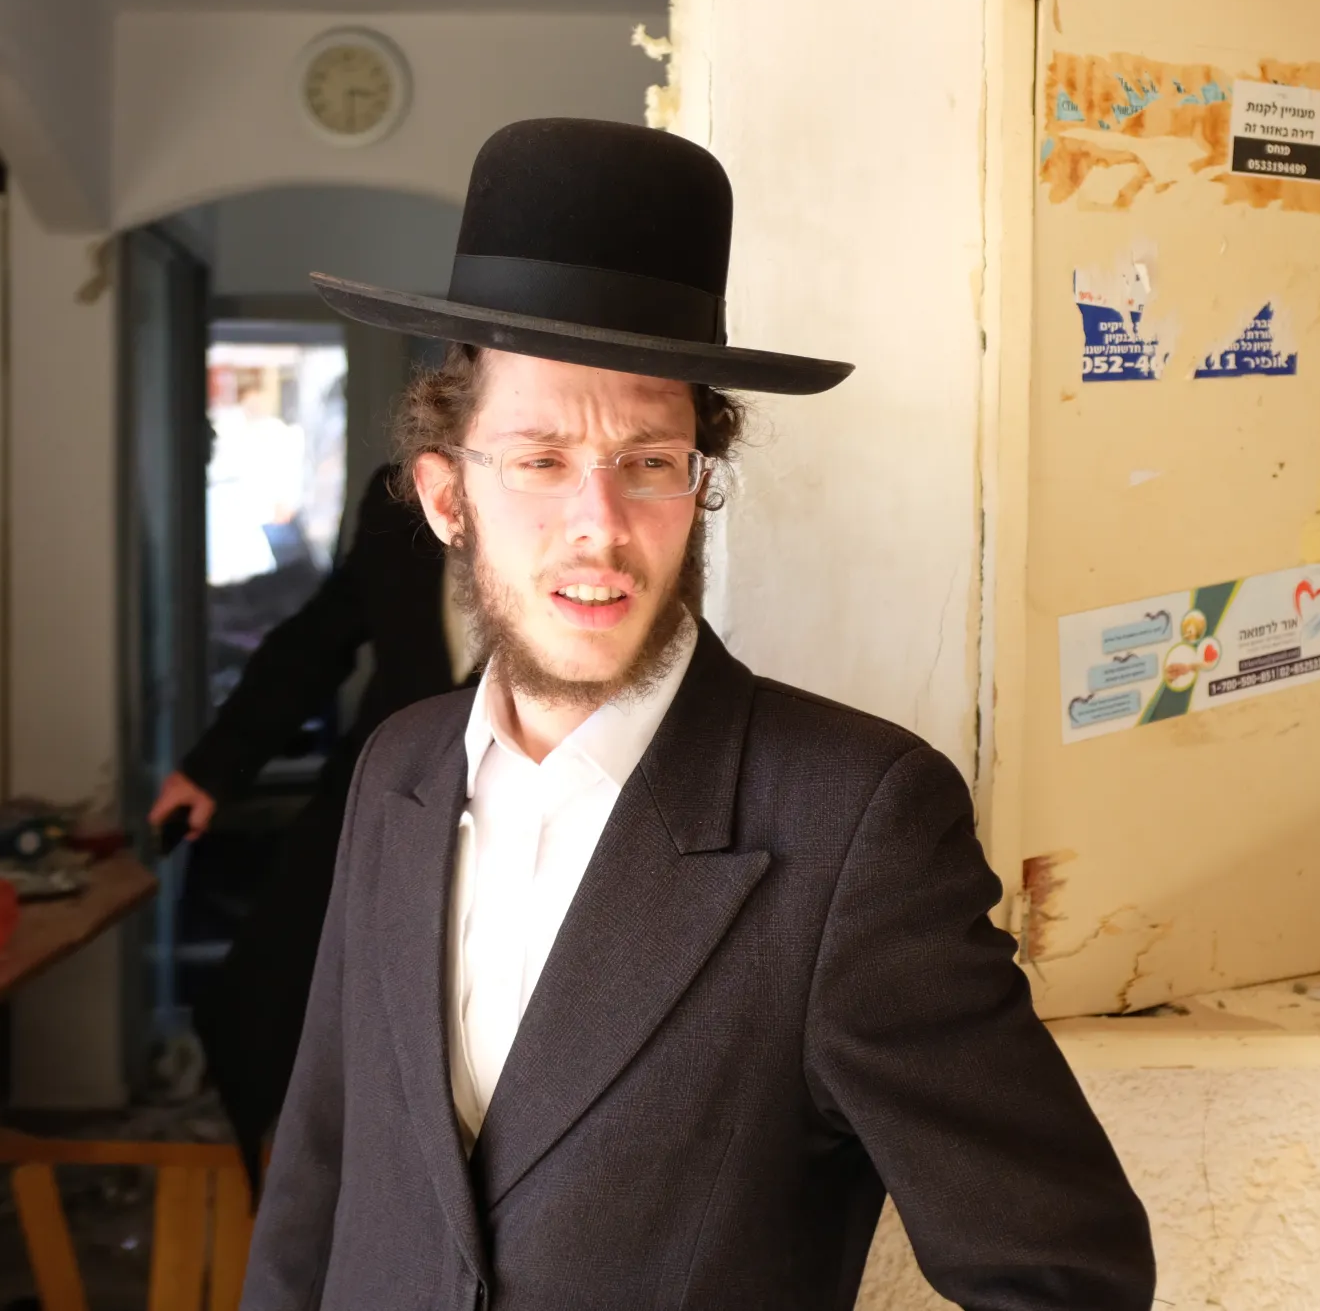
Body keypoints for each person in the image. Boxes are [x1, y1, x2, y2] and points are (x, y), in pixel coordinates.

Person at [241, 119, 1154, 1310]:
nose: (599, 525)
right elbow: (319, 1176)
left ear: (700, 478)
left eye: (649, 460)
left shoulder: (851, 824)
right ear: (444, 494)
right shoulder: (397, 770)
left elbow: (1062, 1270)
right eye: (538, 458)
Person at [149, 461, 465, 1179]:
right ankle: (285, 1213)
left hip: (515, 822)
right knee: (265, 1002)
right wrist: (213, 766)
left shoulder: (578, 504)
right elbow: (320, 636)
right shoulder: (397, 502)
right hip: (379, 803)